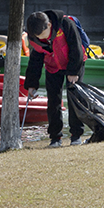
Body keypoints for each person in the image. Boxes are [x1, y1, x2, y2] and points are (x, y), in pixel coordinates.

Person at [24, 10, 86, 147]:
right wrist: (31, 84)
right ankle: (55, 137)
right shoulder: (34, 38)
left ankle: (76, 135)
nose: (42, 39)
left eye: (43, 35)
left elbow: (76, 48)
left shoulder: (66, 24)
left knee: (74, 99)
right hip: (52, 66)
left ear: (49, 25)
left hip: (74, 64)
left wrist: (73, 71)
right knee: (53, 101)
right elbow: (35, 60)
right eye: (38, 37)